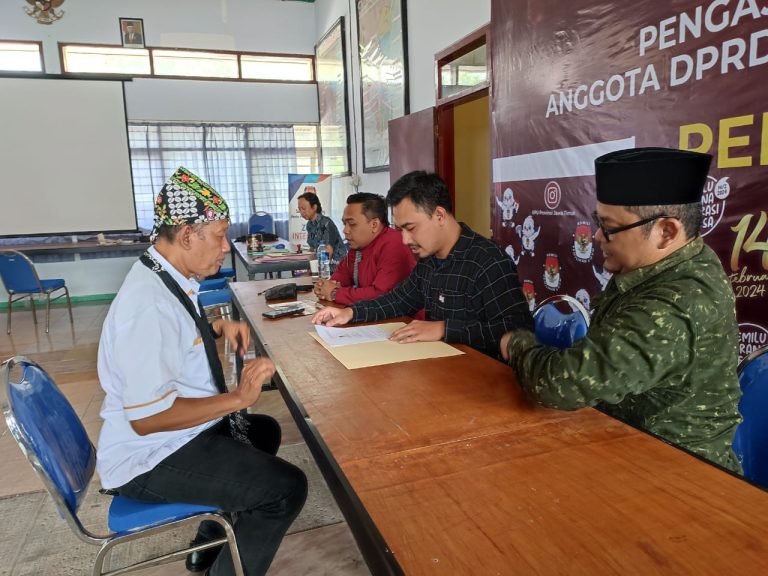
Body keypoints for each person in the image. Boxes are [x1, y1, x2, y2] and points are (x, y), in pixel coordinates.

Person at [96, 167, 307, 576]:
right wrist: (238, 399)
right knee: (286, 489)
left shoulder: (164, 276)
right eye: (219, 235)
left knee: (263, 432)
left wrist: (215, 326)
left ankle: (208, 542)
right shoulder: (147, 308)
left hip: (170, 437)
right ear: (188, 235)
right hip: (149, 456)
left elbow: (173, 333)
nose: (225, 247)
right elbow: (147, 419)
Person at [501, 147, 742, 472]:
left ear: (666, 231)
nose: (598, 236)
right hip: (624, 444)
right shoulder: (667, 263)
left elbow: (559, 385)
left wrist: (516, 345)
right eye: (598, 223)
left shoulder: (676, 303)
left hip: (678, 476)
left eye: (610, 227)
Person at [312, 171, 533, 358]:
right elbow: (399, 300)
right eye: (401, 230)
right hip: (438, 368)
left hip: (482, 379)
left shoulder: (488, 261)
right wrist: (351, 313)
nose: (406, 240)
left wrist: (445, 329)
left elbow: (517, 329)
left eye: (411, 228)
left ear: (439, 215)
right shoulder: (429, 261)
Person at [314, 192, 416, 304]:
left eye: (352, 224)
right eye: (344, 224)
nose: (345, 231)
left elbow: (381, 295)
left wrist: (335, 293)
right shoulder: (359, 245)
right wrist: (323, 287)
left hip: (405, 319)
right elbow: (341, 275)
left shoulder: (393, 244)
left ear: (374, 225)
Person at [297, 191, 347, 272]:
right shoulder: (309, 225)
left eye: (303, 208)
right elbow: (312, 249)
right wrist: (309, 268)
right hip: (322, 266)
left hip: (336, 267)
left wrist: (320, 272)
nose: (301, 212)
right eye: (299, 209)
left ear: (314, 207)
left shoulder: (326, 223)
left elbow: (328, 251)